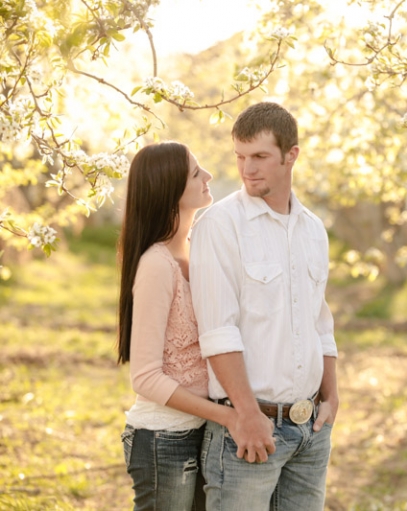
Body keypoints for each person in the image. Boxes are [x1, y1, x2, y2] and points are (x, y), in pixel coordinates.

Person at [189, 101, 339, 510]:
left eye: (259, 156)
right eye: (240, 156)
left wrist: (332, 396)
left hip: (311, 430)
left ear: (292, 155)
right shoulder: (219, 225)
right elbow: (218, 332)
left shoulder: (313, 230)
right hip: (249, 429)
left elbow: (320, 323)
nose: (247, 169)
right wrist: (248, 414)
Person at [117, 141, 252, 511]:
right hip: (163, 438)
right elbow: (144, 377)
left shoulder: (199, 250)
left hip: (205, 432)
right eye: (195, 173)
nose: (208, 175)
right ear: (170, 189)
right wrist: (228, 415)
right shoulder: (157, 265)